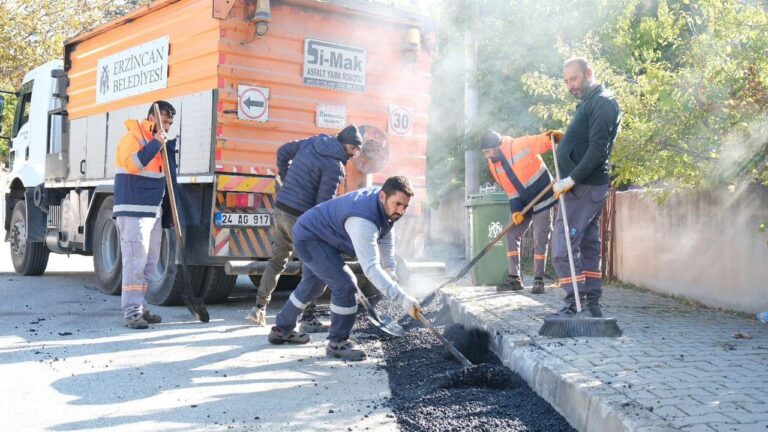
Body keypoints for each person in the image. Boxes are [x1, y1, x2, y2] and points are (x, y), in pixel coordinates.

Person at [268, 176, 421, 361]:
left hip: (322, 234)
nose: (401, 210)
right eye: (397, 204)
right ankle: (337, 343)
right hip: (311, 236)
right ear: (383, 196)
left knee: (313, 284)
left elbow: (387, 236)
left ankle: (281, 329)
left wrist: (390, 270)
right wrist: (402, 298)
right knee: (346, 285)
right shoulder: (363, 219)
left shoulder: (385, 205)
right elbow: (371, 268)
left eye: (405, 206)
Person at [246, 125, 362, 332]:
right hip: (300, 217)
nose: (354, 153)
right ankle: (308, 318)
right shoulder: (335, 166)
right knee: (313, 268)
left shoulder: (312, 142)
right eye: (353, 148)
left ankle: (259, 309)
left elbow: (283, 151)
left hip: (281, 208)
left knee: (277, 261)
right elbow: (322, 204)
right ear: (345, 144)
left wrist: (285, 175)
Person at [551, 57, 622, 317]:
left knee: (562, 248)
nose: (570, 86)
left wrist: (571, 179)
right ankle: (592, 304)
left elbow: (597, 149)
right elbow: (585, 143)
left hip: (583, 188)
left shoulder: (602, 103)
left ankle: (574, 303)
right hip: (583, 188)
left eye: (574, 79)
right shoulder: (591, 102)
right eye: (566, 81)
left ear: (589, 73)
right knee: (589, 246)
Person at [114, 101, 178, 329]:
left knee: (149, 264)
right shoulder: (133, 137)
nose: (167, 126)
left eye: (170, 122)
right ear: (152, 117)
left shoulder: (160, 142)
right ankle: (132, 313)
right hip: (133, 211)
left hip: (153, 212)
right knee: (135, 262)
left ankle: (140, 307)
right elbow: (133, 164)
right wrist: (156, 144)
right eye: (164, 120)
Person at [480, 129, 561, 294]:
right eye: (484, 153)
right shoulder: (493, 164)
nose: (486, 156)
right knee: (511, 234)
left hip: (543, 196)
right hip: (524, 203)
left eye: (487, 151)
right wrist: (516, 210)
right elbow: (510, 189)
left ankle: (538, 279)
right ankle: (514, 278)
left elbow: (545, 141)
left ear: (496, 146)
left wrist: (555, 137)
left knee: (540, 238)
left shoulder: (520, 144)